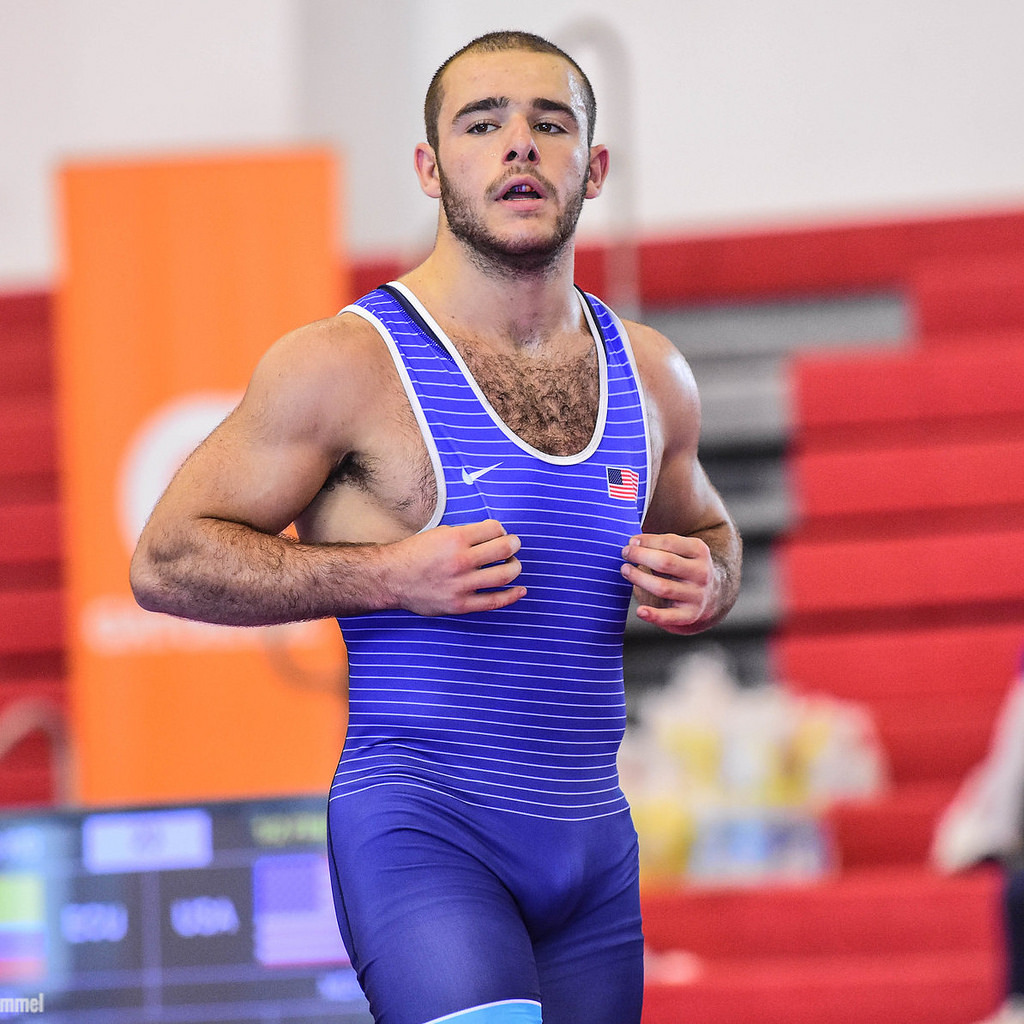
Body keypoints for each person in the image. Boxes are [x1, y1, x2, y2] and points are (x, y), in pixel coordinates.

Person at [130, 29, 741, 1024]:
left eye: (550, 124)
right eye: (482, 123)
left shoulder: (653, 374)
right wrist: (386, 575)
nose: (519, 145)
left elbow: (713, 533)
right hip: (424, 830)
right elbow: (164, 561)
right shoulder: (343, 364)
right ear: (429, 167)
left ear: (594, 169)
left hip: (593, 845)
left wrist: (711, 577)